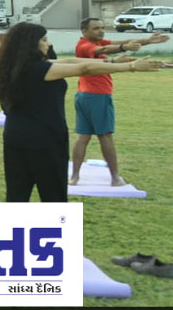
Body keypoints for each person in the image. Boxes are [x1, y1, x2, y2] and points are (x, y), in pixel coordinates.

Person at [0, 22, 165, 202]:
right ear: (29, 44)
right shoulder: (38, 69)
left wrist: (111, 61)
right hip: (44, 138)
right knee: (53, 194)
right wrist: (131, 67)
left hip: (15, 136)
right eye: (43, 40)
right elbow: (83, 69)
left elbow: (69, 61)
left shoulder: (16, 67)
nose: (47, 44)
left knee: (17, 194)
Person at [69, 17, 169, 187]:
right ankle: (115, 178)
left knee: (83, 137)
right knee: (105, 136)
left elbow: (119, 42)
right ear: (85, 32)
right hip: (98, 96)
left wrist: (147, 41)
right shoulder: (85, 46)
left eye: (102, 27)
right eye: (95, 28)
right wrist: (123, 48)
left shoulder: (93, 42)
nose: (101, 31)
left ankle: (75, 177)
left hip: (83, 95)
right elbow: (108, 48)